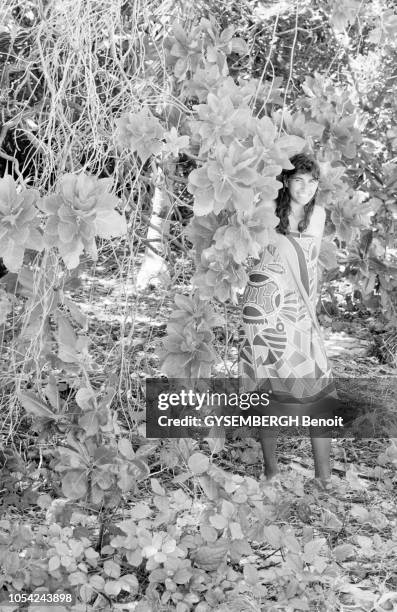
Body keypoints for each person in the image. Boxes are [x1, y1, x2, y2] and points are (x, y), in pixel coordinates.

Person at [239, 153, 339, 491]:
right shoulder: (266, 211)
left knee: (320, 393)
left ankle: (324, 478)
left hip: (301, 314)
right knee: (269, 391)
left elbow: (310, 268)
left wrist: (311, 316)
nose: (306, 188)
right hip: (266, 312)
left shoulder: (319, 216)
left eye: (312, 182)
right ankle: (271, 473)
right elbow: (254, 260)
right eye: (299, 180)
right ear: (285, 181)